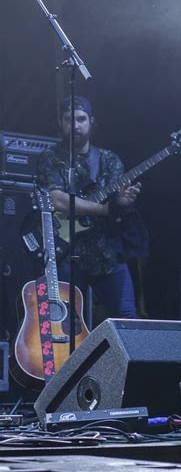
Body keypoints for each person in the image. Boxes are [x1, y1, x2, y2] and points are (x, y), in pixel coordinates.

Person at [37, 96, 148, 320]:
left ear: (91, 122)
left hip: (106, 253)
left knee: (127, 319)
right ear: (61, 123)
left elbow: (118, 204)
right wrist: (104, 210)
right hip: (66, 254)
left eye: (81, 119)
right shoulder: (50, 158)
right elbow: (57, 200)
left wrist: (123, 203)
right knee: (65, 322)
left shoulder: (109, 159)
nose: (75, 125)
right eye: (69, 119)